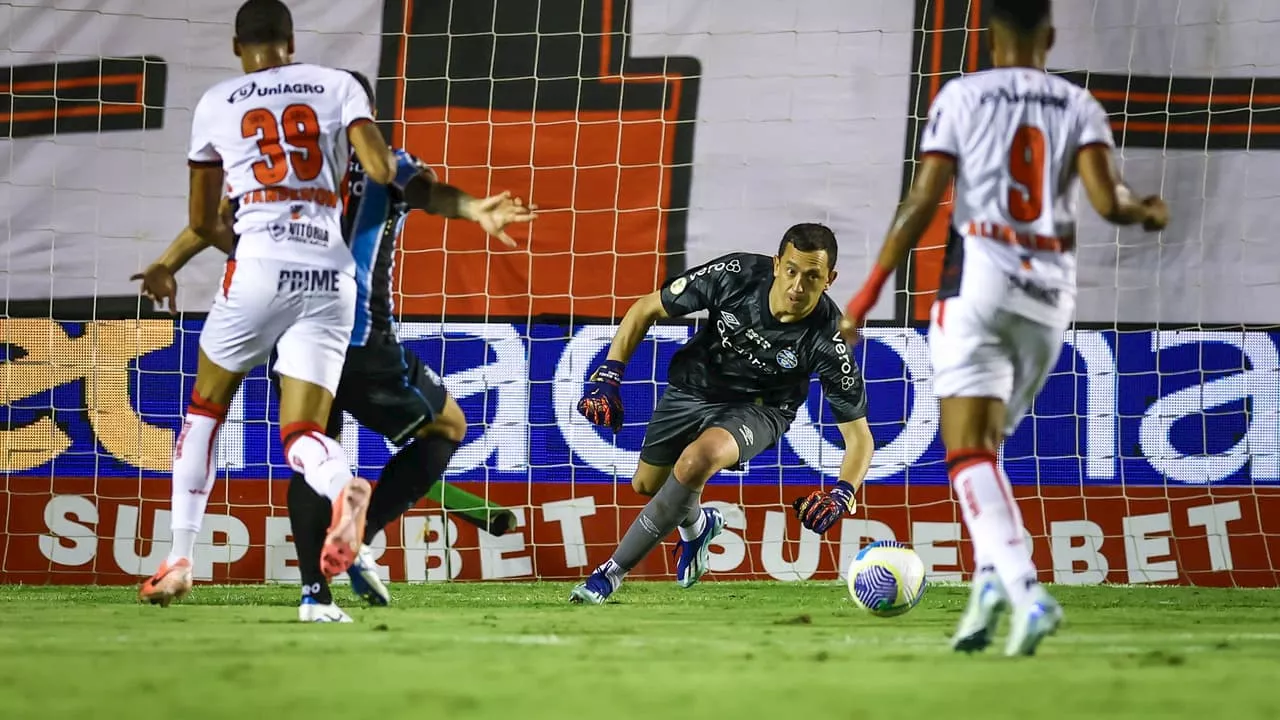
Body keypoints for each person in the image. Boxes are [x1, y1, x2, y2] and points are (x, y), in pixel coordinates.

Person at [841, 0, 1168, 656]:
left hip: (978, 286)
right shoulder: (1078, 105)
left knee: (967, 455)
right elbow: (1109, 202)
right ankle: (988, 588)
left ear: (989, 37)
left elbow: (922, 200)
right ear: (1048, 35)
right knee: (988, 453)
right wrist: (1147, 210)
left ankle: (1025, 589)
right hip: (1050, 299)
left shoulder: (963, 97)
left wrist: (865, 297)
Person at [133, 0, 400, 611]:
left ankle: (178, 559)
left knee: (205, 409)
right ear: (291, 41)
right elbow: (381, 168)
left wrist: (220, 251)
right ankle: (342, 488)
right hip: (332, 276)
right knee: (304, 430)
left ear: (237, 47)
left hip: (256, 268)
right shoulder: (336, 86)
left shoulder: (216, 103)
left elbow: (204, 220)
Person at [273, 70, 534, 619]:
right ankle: (360, 535)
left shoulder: (279, 173)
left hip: (291, 336)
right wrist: (472, 208)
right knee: (448, 427)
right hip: (359, 339)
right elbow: (426, 191)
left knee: (315, 451)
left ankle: (313, 597)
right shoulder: (383, 165)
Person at [571, 223, 876, 604]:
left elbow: (860, 437)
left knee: (698, 459)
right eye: (792, 271)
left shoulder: (829, 340)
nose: (798, 286)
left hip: (761, 409)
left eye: (812, 276)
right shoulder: (736, 276)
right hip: (694, 386)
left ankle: (609, 574)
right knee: (647, 486)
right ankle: (698, 526)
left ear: (829, 280)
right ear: (776, 264)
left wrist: (843, 493)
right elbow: (646, 307)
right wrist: (609, 376)